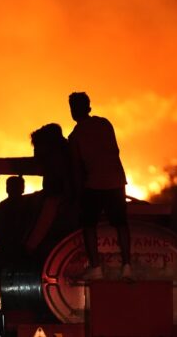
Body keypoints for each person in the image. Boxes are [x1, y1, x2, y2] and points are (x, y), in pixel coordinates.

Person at [67, 92, 132, 280]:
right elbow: (115, 150)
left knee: (88, 225)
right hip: (116, 181)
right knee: (121, 224)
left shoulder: (75, 136)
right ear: (89, 107)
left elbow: (77, 168)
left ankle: (96, 267)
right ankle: (127, 265)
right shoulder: (105, 124)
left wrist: (78, 194)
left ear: (74, 110)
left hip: (93, 184)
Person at [25, 123, 73, 253]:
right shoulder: (65, 153)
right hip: (60, 198)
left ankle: (29, 249)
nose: (36, 151)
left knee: (48, 204)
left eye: (37, 147)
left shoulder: (59, 159)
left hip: (61, 202)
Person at [0, 176, 27, 257]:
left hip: (7, 250)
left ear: (7, 189)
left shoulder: (0, 207)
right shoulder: (30, 203)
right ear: (22, 189)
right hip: (24, 250)